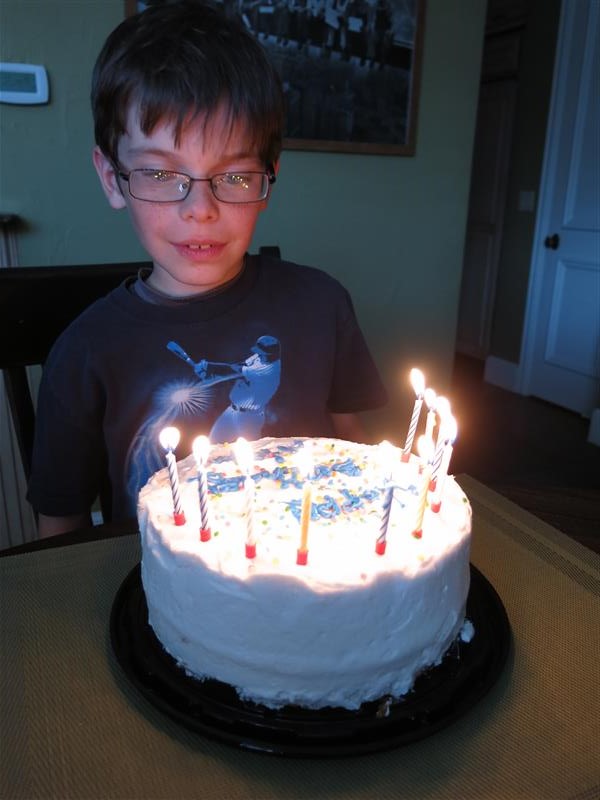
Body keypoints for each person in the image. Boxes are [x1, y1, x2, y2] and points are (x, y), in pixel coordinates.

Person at [28, 0, 387, 538]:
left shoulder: (322, 305)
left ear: (268, 180)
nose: (200, 209)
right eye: (159, 173)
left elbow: (351, 452)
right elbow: (61, 531)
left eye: (235, 176)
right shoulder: (83, 353)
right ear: (111, 178)